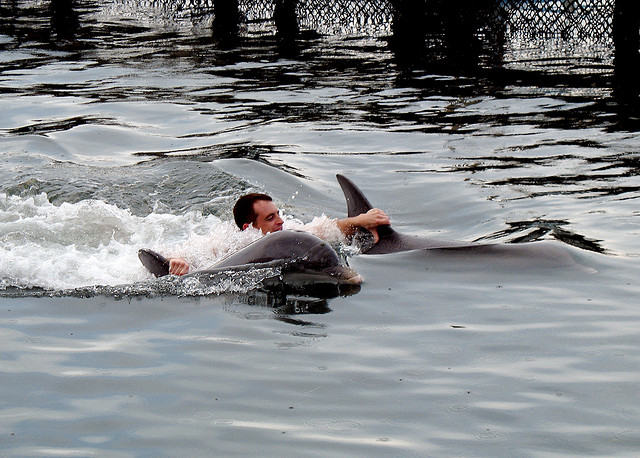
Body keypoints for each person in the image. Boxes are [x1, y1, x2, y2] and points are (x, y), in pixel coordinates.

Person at [168, 192, 390, 275]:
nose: (280, 221)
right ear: (249, 227)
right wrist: (177, 261)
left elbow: (324, 229)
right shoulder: (228, 243)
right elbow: (181, 253)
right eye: (270, 218)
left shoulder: (287, 232)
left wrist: (360, 220)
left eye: (278, 213)